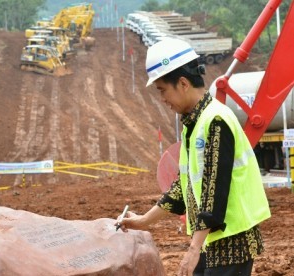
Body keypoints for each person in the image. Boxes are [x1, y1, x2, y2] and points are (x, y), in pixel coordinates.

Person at [115, 38, 271, 276]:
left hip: (231, 242)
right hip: (211, 238)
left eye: (162, 90)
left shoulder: (215, 120)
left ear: (183, 83)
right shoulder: (194, 124)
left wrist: (193, 248)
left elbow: (213, 191)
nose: (162, 99)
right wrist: (144, 220)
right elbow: (183, 186)